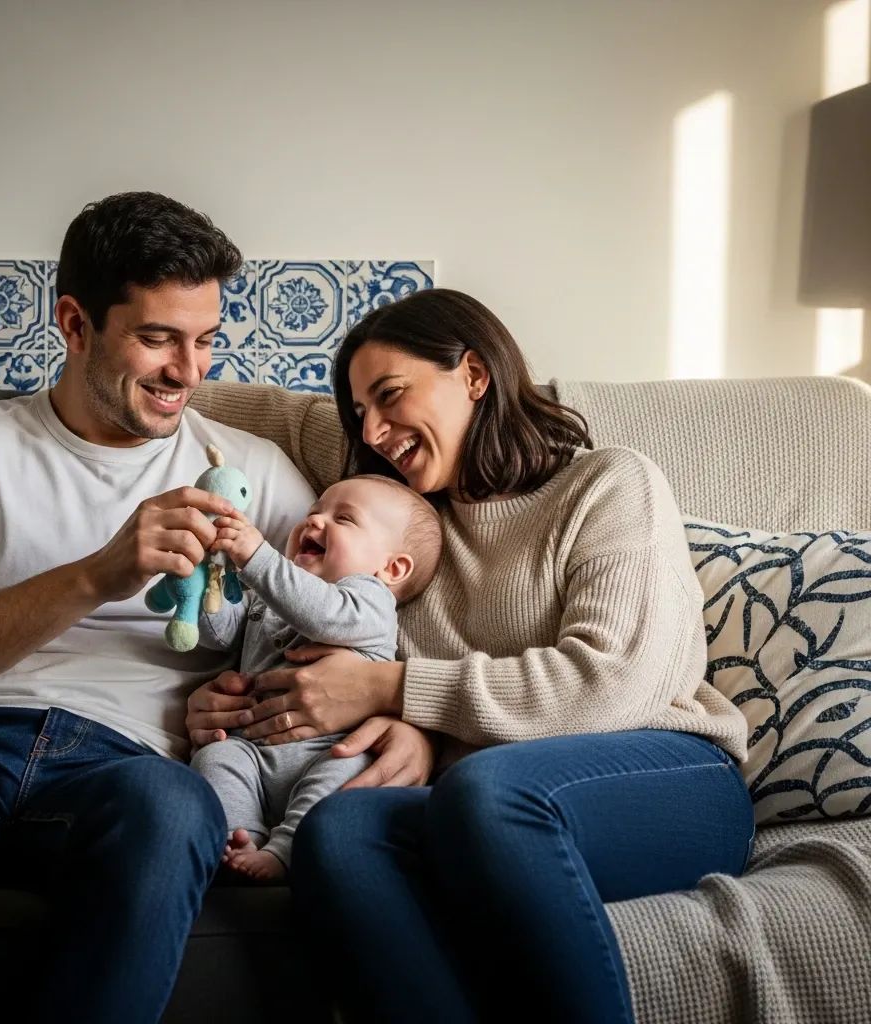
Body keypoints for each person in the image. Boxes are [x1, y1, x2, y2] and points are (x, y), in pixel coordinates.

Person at [186, 288, 754, 1023]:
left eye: (390, 395)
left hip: (664, 777)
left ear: (475, 375)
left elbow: (609, 684)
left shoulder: (608, 484)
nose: (375, 430)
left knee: (485, 792)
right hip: (473, 799)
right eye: (359, 412)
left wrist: (393, 690)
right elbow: (263, 411)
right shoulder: (391, 506)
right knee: (337, 832)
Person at [0, 191, 325, 1024]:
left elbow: (347, 618)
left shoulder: (253, 471)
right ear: (75, 324)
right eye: (158, 338)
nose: (189, 371)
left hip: (129, 768)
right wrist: (98, 575)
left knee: (173, 809)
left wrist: (392, 715)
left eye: (206, 339)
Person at [191, 474, 442, 880]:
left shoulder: (369, 599)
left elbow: (323, 614)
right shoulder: (270, 593)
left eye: (343, 518)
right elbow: (218, 636)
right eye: (314, 511)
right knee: (216, 757)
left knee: (349, 768)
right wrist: (208, 581)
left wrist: (257, 556)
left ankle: (286, 850)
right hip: (253, 748)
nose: (314, 521)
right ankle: (241, 838)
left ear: (392, 568)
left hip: (329, 749)